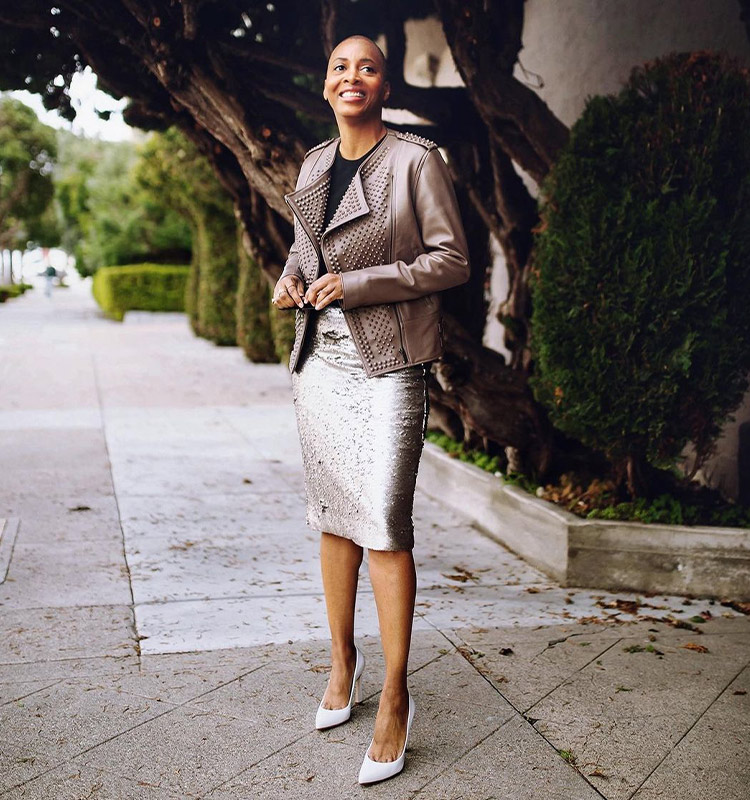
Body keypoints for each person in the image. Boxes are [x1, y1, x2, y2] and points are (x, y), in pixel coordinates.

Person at [272, 34, 470, 784]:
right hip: (320, 364)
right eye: (339, 66)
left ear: (385, 85)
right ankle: (342, 662)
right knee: (333, 520)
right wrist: (291, 280)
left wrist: (357, 285)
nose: (352, 76)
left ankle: (395, 694)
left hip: (390, 364)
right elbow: (305, 250)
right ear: (326, 86)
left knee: (384, 525)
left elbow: (450, 260)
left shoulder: (417, 161)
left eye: (368, 67)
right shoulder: (315, 165)